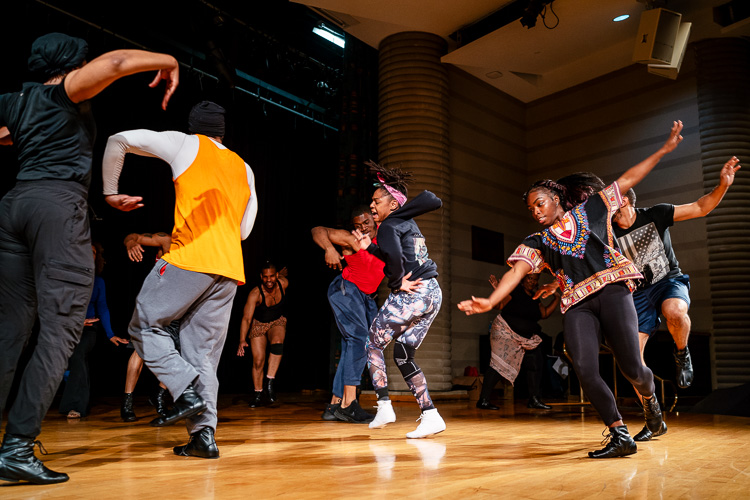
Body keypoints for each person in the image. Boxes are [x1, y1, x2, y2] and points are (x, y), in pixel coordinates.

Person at [0, 32, 178, 484]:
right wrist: (167, 58)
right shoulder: (65, 91)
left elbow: (7, 135)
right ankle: (17, 449)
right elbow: (118, 62)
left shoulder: (15, 101)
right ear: (70, 66)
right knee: (61, 331)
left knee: (9, 332)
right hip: (56, 209)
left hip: (16, 204)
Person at [459, 121, 685, 458]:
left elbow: (627, 180)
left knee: (632, 368)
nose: (535, 211)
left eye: (540, 204)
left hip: (612, 292)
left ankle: (651, 404)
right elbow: (517, 270)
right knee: (584, 367)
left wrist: (664, 150)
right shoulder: (537, 241)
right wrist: (491, 300)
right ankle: (619, 433)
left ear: (555, 199)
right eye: (531, 208)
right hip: (577, 303)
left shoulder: (591, 209)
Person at [102, 100, 257, 459]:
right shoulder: (244, 167)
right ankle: (204, 437)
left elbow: (119, 139)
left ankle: (184, 390)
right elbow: (245, 230)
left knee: (143, 325)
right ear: (222, 130)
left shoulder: (187, 144)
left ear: (194, 126)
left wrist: (111, 193)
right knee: (201, 353)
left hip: (190, 259)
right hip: (230, 269)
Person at [613, 155, 741, 441]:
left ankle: (682, 354)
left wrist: (723, 185)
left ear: (626, 199)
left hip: (667, 280)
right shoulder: (608, 234)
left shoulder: (655, 215)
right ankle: (653, 416)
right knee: (630, 360)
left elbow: (700, 207)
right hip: (637, 292)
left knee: (675, 312)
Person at [354, 162, 445, 439]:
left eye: (376, 201)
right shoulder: (407, 223)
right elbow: (396, 254)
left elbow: (395, 261)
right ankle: (431, 415)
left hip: (413, 294)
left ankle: (384, 406)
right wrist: (371, 248)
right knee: (403, 353)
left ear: (393, 204)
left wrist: (397, 283)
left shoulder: (389, 224)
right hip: (432, 292)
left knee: (372, 344)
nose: (371, 206)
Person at [312, 206, 385, 423]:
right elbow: (318, 229)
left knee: (355, 345)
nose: (363, 228)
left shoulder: (385, 239)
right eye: (357, 225)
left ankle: (335, 403)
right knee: (359, 338)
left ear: (374, 220)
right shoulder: (352, 239)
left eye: (366, 223)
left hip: (367, 298)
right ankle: (348, 404)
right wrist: (328, 249)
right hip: (347, 290)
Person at [59, 243, 129, 419]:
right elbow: (59, 304)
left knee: (78, 355)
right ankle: (77, 403)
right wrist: (76, 321)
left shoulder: (98, 281)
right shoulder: (68, 278)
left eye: (93, 252)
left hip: (90, 328)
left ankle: (76, 406)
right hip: (68, 327)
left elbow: (103, 308)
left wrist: (110, 334)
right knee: (75, 363)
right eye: (87, 251)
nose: (90, 255)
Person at [476, 273, 560, 410]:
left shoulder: (535, 297)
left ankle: (534, 399)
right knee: (498, 364)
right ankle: (483, 400)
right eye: (529, 278)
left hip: (526, 338)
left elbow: (544, 313)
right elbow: (500, 305)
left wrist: (556, 297)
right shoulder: (514, 291)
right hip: (505, 332)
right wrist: (498, 291)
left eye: (535, 280)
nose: (532, 282)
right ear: (523, 280)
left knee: (535, 363)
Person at [119, 232, 175, 422]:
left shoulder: (195, 246)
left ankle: (158, 396)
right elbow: (132, 236)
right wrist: (130, 244)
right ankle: (127, 402)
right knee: (139, 351)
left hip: (175, 308)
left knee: (176, 353)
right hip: (153, 303)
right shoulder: (166, 240)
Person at [237, 262, 289, 407]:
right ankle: (258, 393)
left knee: (278, 341)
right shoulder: (255, 294)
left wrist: (282, 275)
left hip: (276, 321)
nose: (269, 280)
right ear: (261, 277)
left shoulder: (283, 284)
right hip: (258, 324)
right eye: (265, 277)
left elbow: (284, 277)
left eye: (272, 276)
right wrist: (242, 339)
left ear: (277, 275)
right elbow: (246, 318)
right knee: (258, 360)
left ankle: (270, 381)